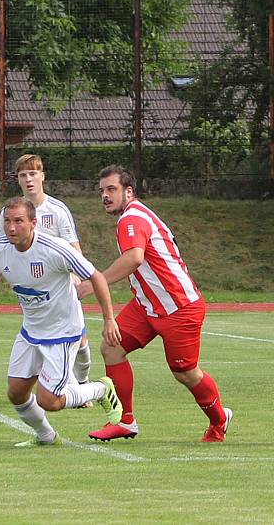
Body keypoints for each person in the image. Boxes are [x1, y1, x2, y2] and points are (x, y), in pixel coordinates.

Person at [78, 165, 232, 443]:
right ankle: (125, 421)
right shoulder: (133, 215)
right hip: (147, 305)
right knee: (112, 348)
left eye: (111, 189)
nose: (105, 195)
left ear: (129, 191)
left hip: (179, 308)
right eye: (101, 190)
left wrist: (93, 282)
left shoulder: (131, 219)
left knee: (184, 373)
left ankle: (219, 420)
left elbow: (134, 258)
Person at [0, 197, 122, 446]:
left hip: (63, 332)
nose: (12, 227)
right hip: (30, 332)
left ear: (33, 223)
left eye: (18, 221)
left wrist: (109, 319)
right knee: (16, 393)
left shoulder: (54, 248)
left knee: (49, 400)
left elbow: (97, 277)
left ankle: (101, 389)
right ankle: (46, 436)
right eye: (7, 221)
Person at [0, 154, 92, 388]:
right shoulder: (9, 212)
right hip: (33, 284)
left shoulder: (58, 210)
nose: (28, 179)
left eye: (33, 174)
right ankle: (69, 387)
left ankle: (83, 381)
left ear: (42, 176)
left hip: (61, 282)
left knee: (80, 342)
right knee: (46, 334)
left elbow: (74, 248)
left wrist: (78, 278)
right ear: (18, 180)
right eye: (23, 175)